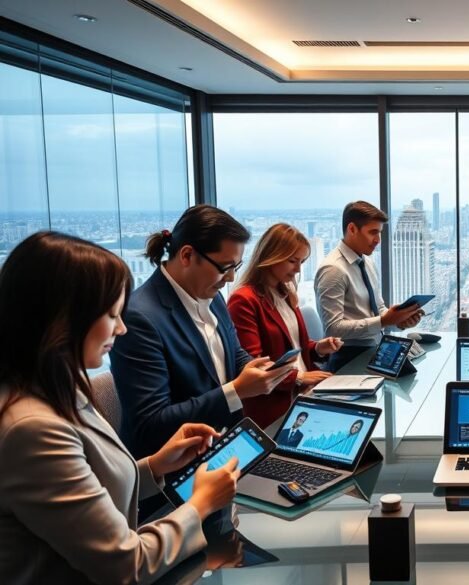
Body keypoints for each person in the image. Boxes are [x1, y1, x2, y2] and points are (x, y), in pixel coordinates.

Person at [0, 232, 240, 584]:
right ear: (62, 320)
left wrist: (155, 466)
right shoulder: (31, 428)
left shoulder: (52, 385)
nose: (122, 327)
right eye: (112, 315)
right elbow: (126, 564)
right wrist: (200, 504)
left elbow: (86, 490)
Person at [111, 205, 294, 457]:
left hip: (228, 446)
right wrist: (236, 390)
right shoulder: (139, 318)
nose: (230, 278)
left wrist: (259, 369)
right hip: (175, 470)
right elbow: (151, 424)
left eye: (236, 267)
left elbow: (232, 352)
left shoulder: (211, 294)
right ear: (186, 255)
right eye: (224, 267)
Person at [228, 224, 344, 427]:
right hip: (271, 407)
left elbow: (292, 347)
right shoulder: (244, 300)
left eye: (301, 262)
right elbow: (253, 363)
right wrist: (298, 378)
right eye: (293, 261)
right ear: (272, 256)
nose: (298, 269)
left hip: (301, 398)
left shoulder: (285, 293)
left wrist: (317, 348)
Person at [315, 201, 423, 371]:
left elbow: (378, 309)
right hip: (347, 358)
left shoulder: (367, 263)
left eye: (379, 233)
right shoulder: (333, 270)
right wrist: (383, 321)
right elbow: (333, 329)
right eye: (373, 232)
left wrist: (400, 321)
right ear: (352, 229)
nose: (378, 240)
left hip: (374, 351)